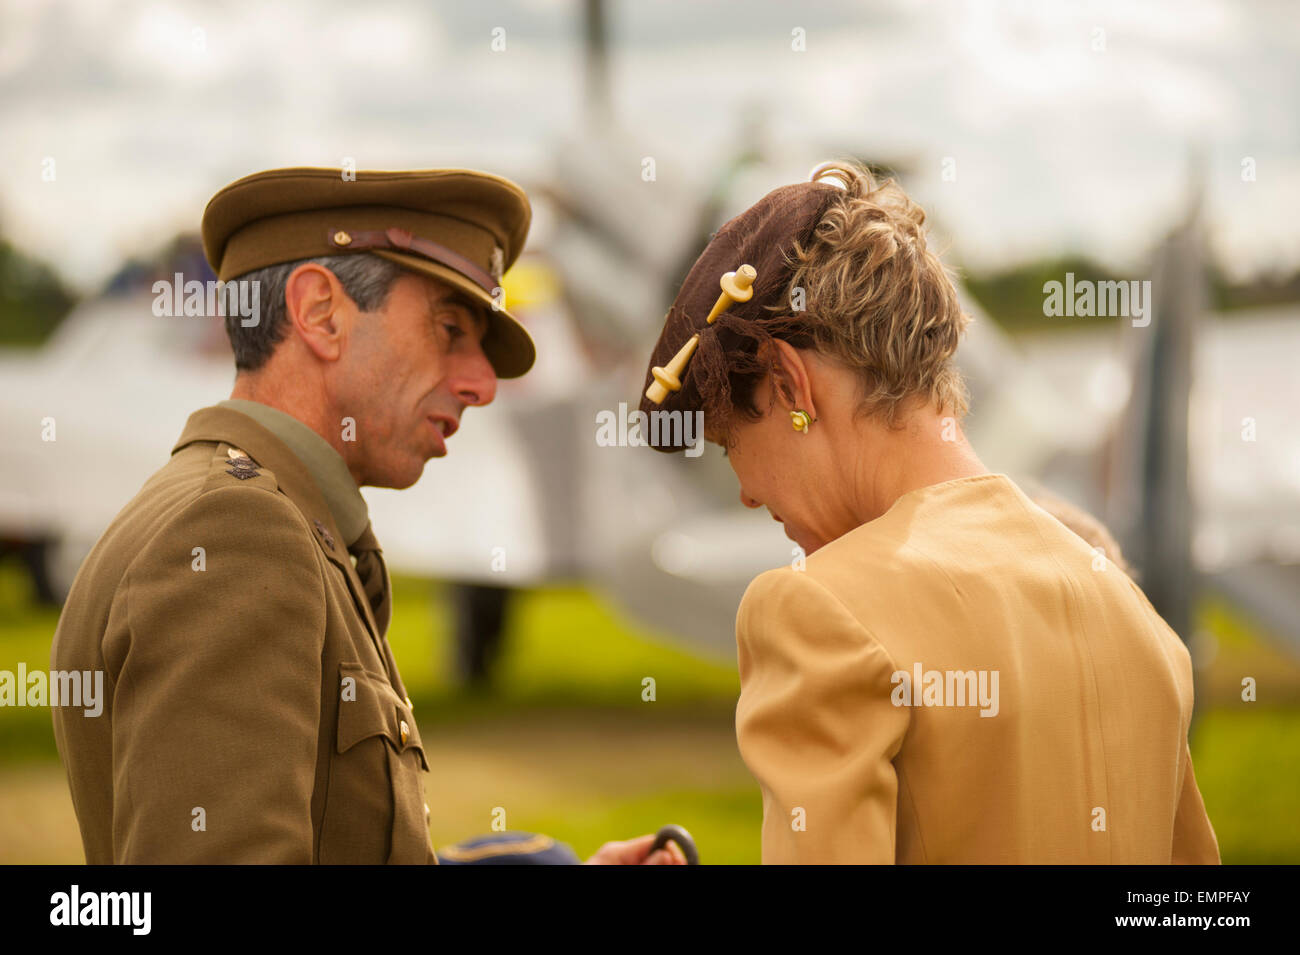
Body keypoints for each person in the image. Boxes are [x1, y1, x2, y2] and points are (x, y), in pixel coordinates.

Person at [50, 165, 682, 865]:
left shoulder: (269, 519)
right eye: (450, 329)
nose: (481, 384)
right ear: (321, 313)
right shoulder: (235, 536)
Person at [637, 160, 1220, 864]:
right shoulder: (1135, 618)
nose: (747, 492)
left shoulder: (817, 611)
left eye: (731, 441)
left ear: (791, 384)